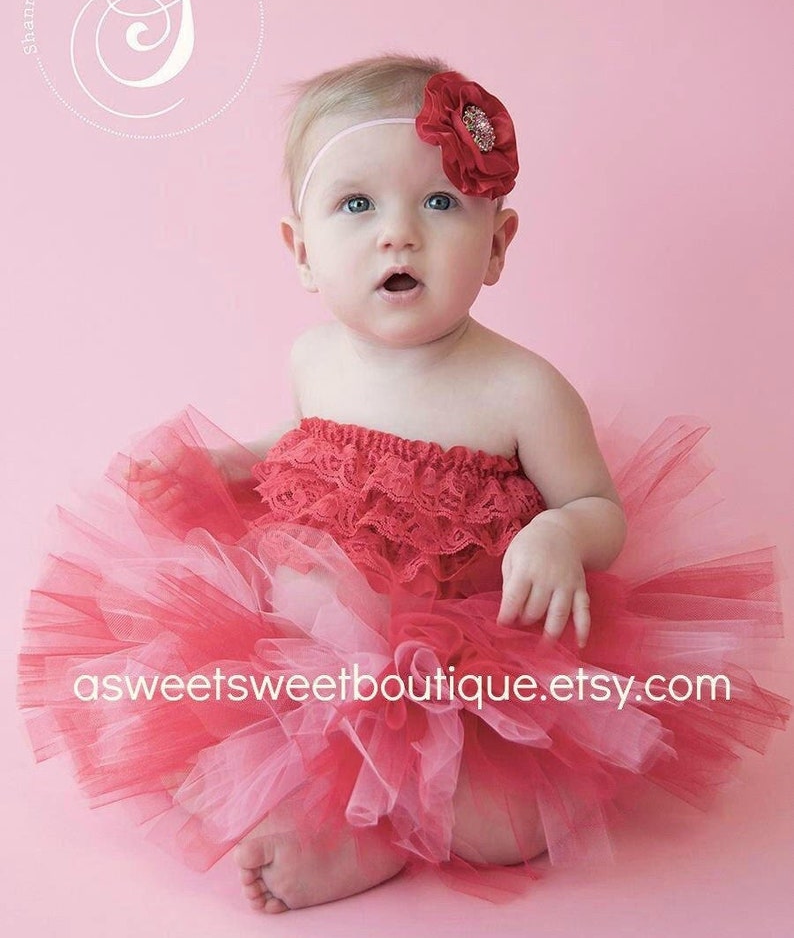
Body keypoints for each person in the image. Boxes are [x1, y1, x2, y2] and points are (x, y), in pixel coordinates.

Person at [17, 53, 790, 914]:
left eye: (440, 202)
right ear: (301, 249)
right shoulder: (312, 356)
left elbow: (597, 506)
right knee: (205, 735)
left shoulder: (523, 390)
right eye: (358, 204)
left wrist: (561, 531)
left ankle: (366, 839)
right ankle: (333, 802)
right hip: (301, 647)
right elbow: (307, 444)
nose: (399, 233)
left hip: (462, 674)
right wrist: (236, 461)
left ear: (498, 244)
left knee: (520, 815)